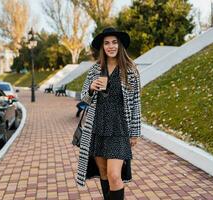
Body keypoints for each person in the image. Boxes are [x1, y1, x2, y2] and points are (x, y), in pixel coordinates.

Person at [75, 27, 141, 200]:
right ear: (102, 47)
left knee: (114, 175)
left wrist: (134, 132)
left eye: (114, 42)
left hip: (119, 128)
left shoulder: (130, 71)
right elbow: (84, 98)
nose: (111, 46)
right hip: (97, 127)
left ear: (119, 45)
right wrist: (90, 89)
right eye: (107, 43)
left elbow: (136, 103)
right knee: (103, 173)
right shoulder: (95, 70)